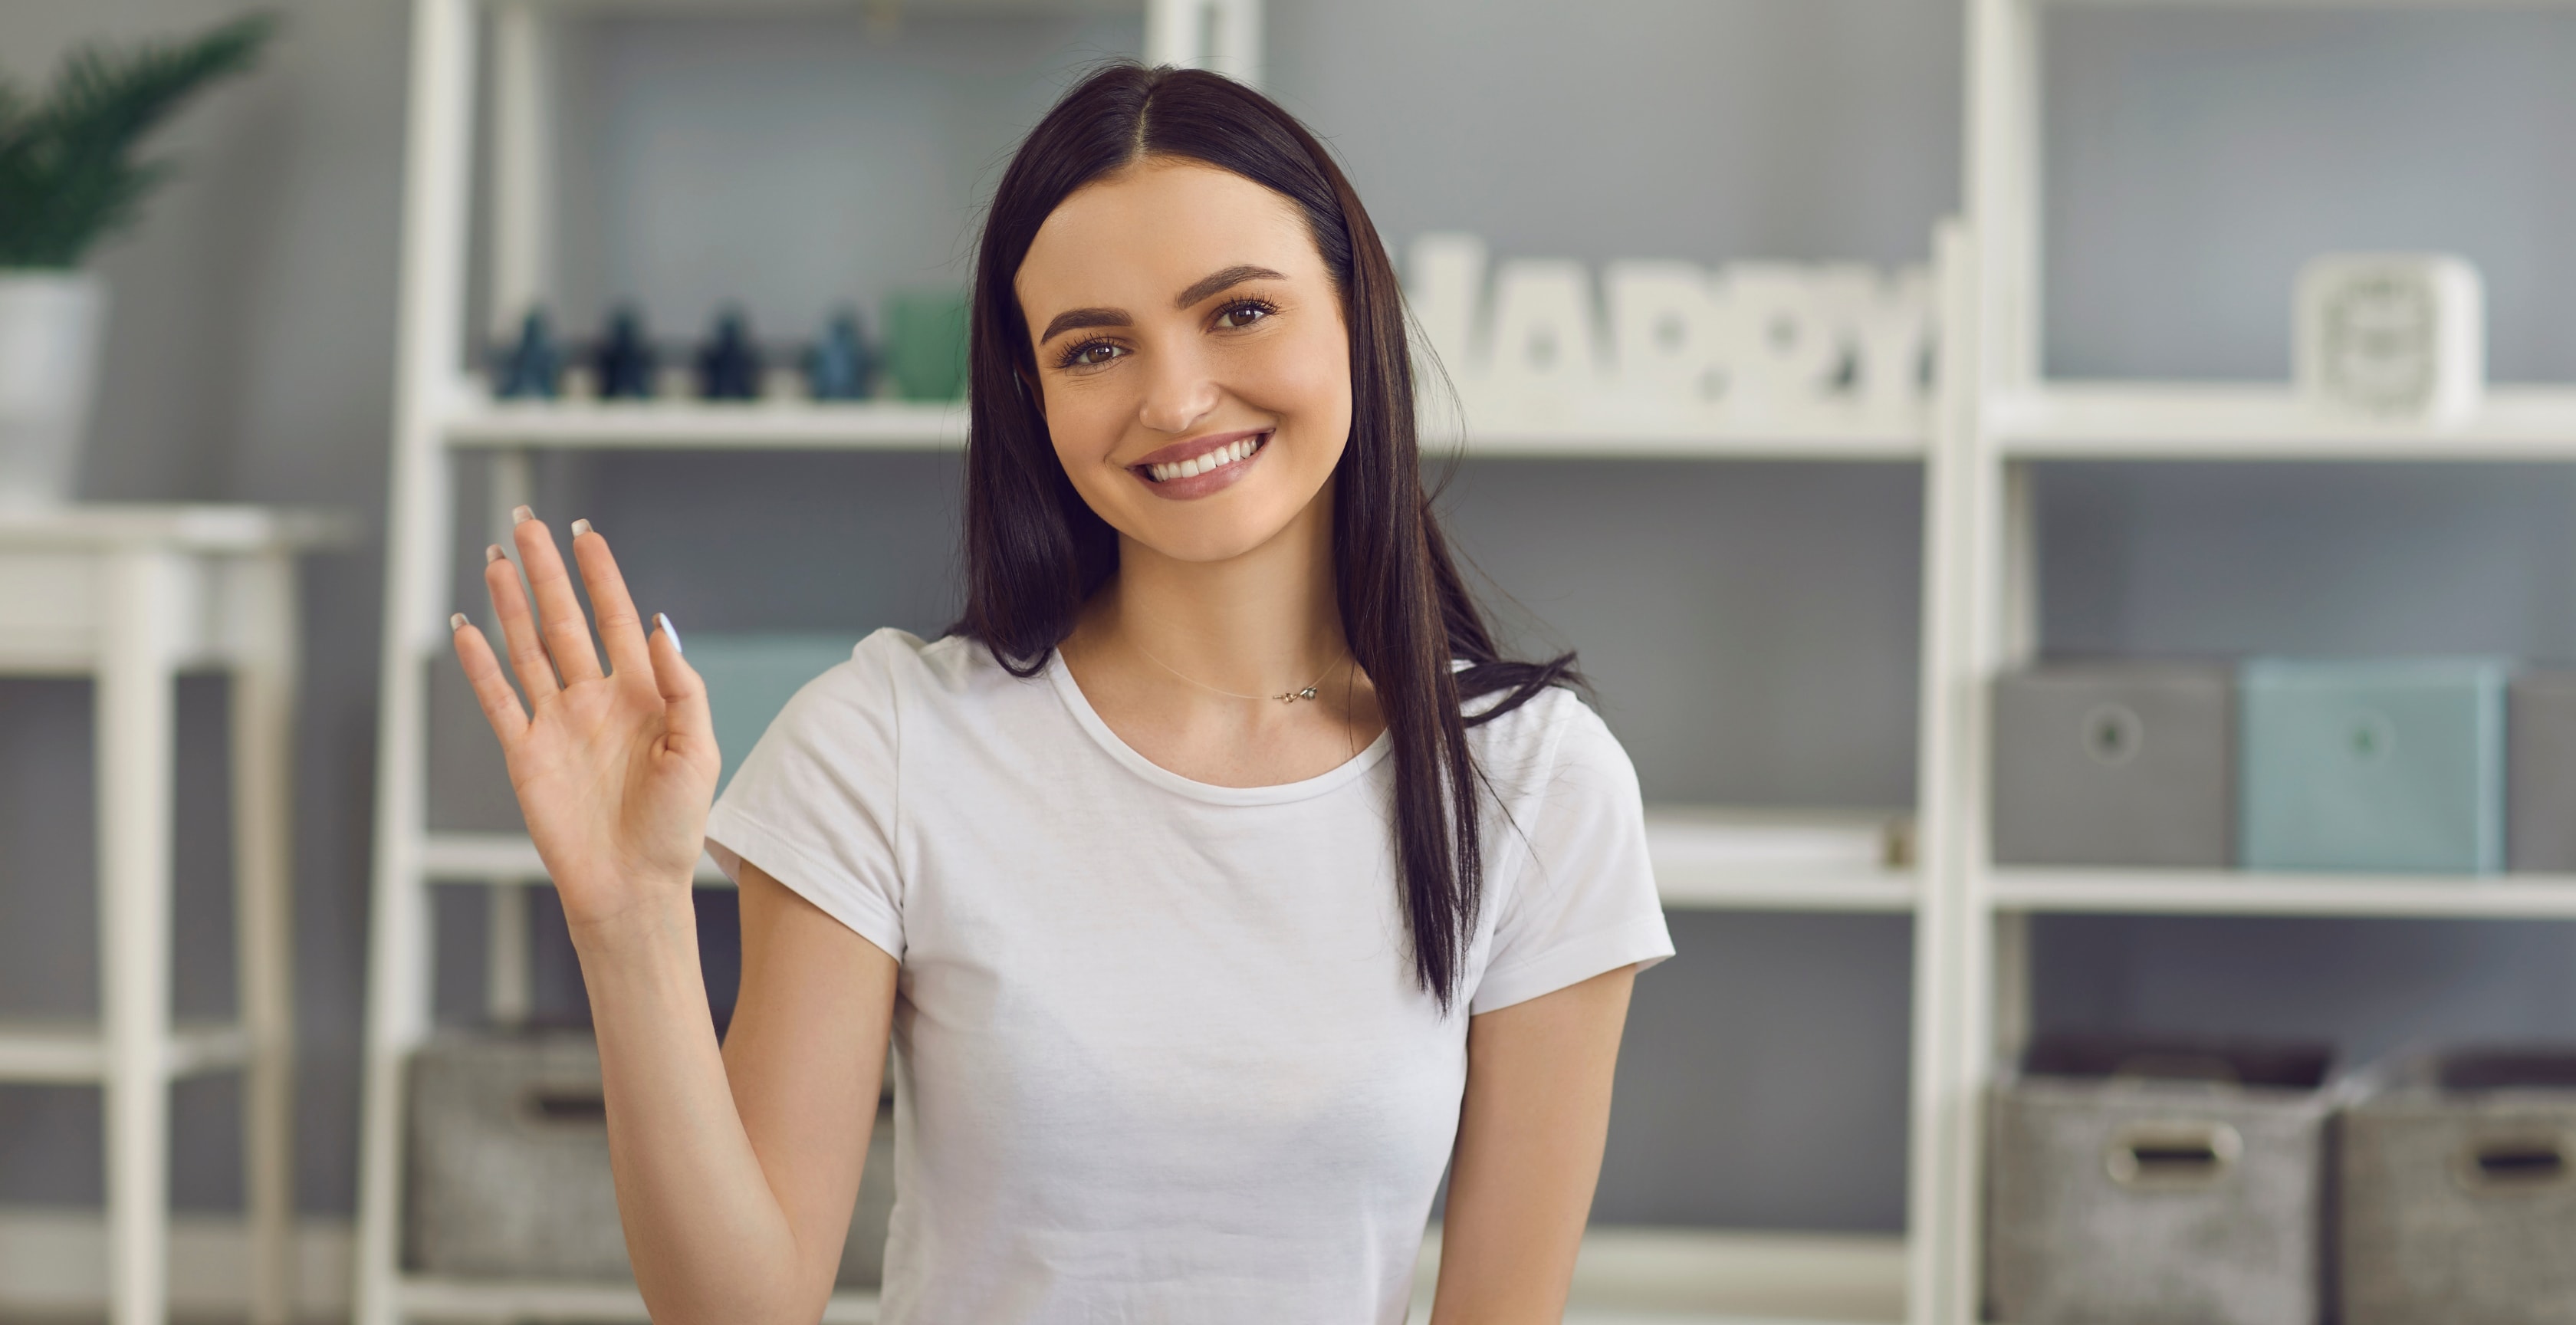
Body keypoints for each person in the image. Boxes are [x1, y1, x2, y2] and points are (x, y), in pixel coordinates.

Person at [448, 61, 1674, 1325]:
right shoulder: (883, 744)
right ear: (1033, 400)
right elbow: (737, 1312)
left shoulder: (1533, 782)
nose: (1176, 398)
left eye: (1239, 312)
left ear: (1358, 316)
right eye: (1095, 348)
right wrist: (632, 922)